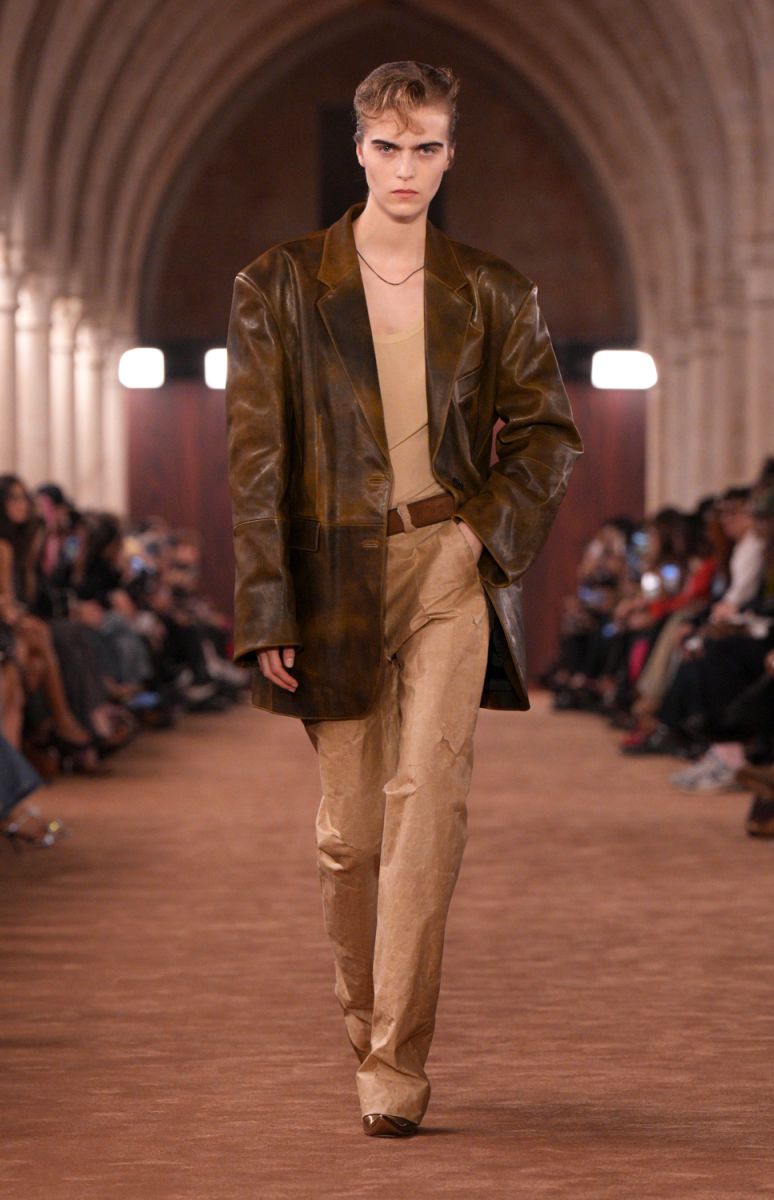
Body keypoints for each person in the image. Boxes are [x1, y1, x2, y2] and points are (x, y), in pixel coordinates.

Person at [224, 61, 583, 1138]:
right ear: (358, 150)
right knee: (349, 837)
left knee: (427, 809)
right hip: (331, 577)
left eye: (426, 147)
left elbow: (548, 433)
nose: (406, 168)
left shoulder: (491, 289)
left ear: (449, 154)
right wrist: (266, 604)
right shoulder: (278, 284)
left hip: (445, 567)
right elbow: (257, 458)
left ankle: (394, 1064)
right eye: (388, 146)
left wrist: (478, 534)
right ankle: (364, 1024)